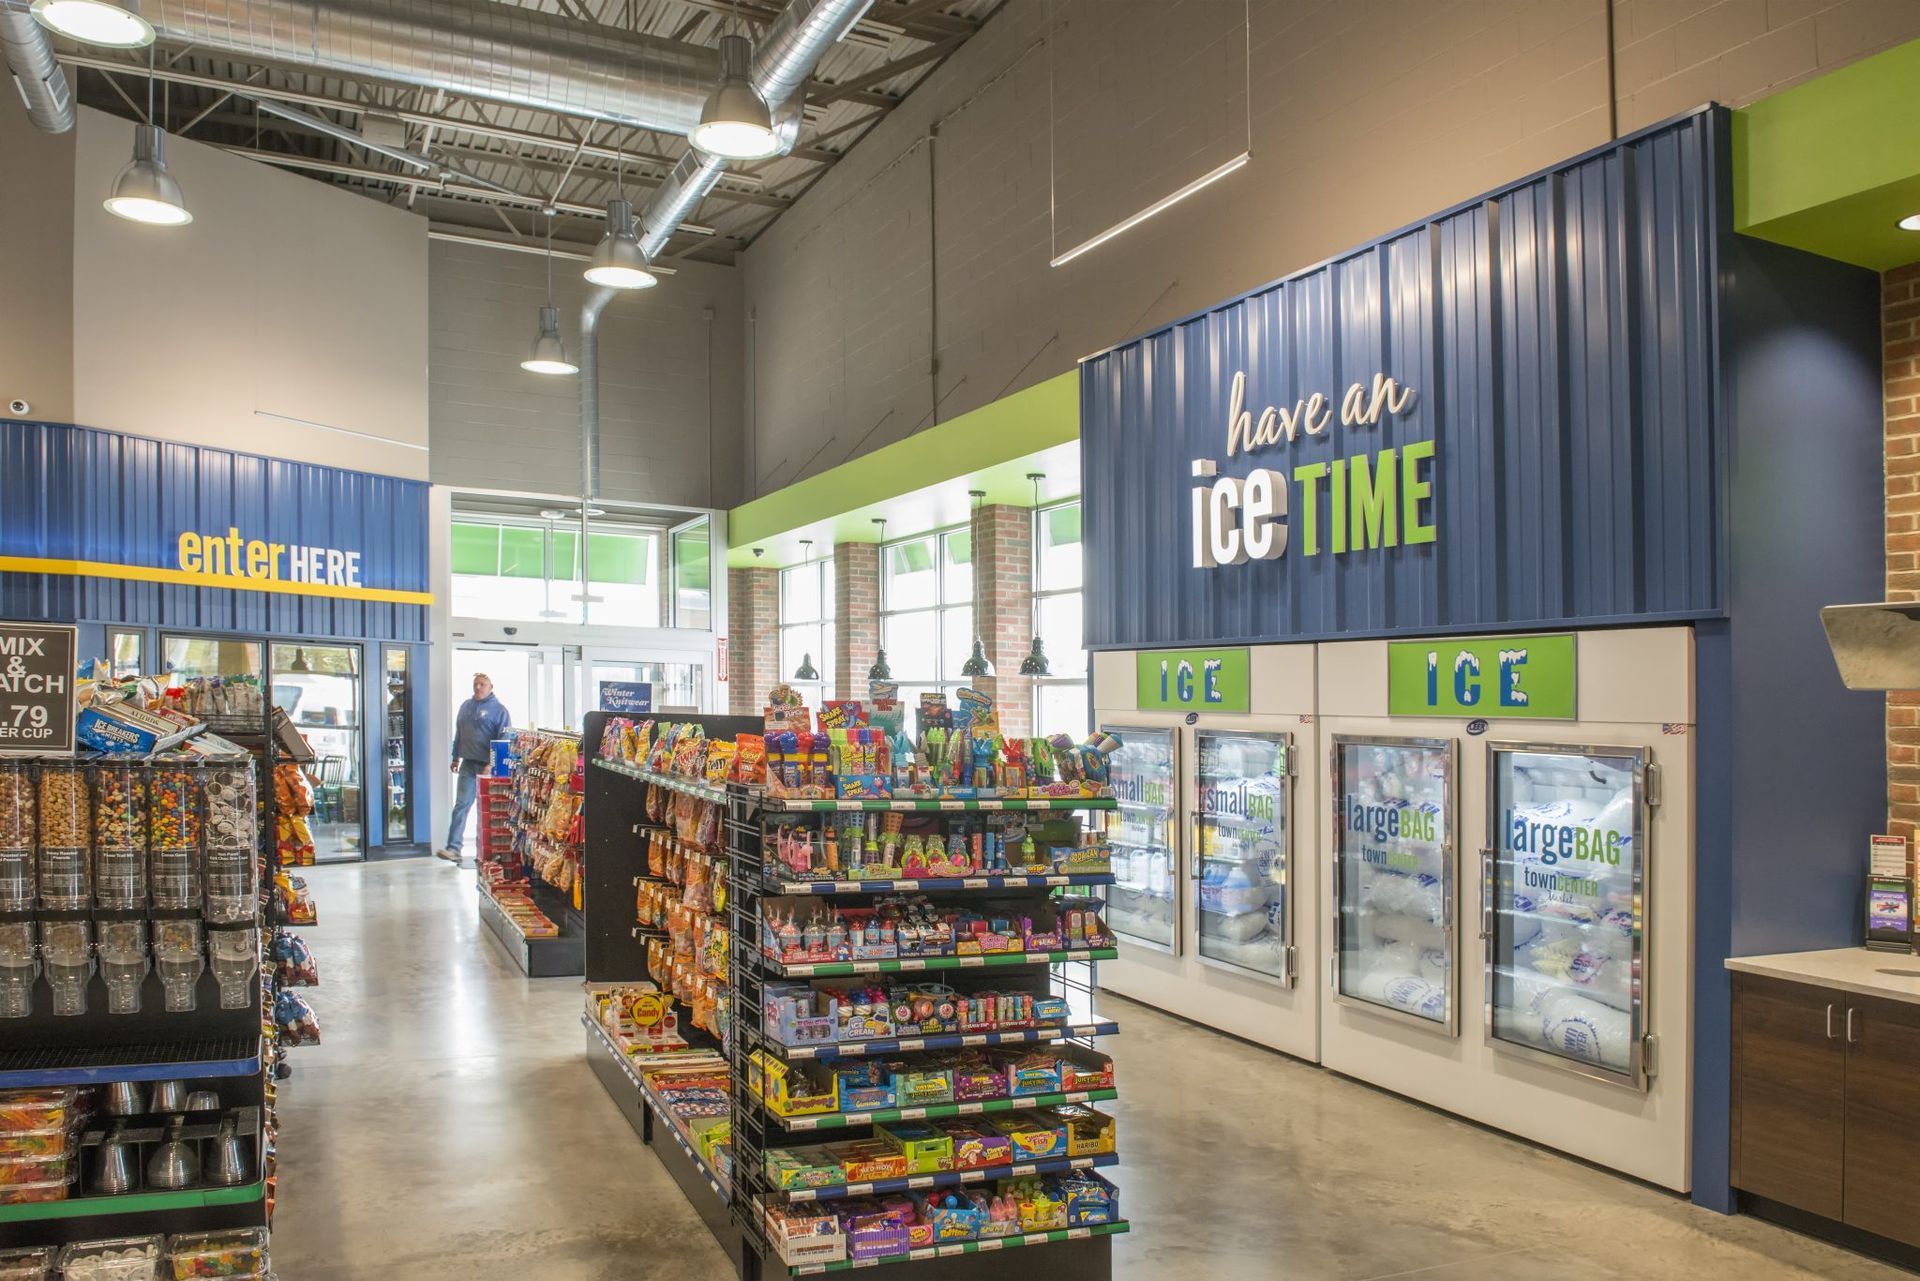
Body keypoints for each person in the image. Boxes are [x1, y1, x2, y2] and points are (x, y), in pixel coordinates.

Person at [439, 673, 511, 865]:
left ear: (491, 686)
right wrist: (455, 757)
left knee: (488, 810)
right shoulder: (465, 707)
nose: (478, 687)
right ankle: (453, 848)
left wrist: (492, 763)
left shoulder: (499, 711)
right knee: (461, 805)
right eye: (476, 684)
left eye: (483, 684)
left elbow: (503, 740)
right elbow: (459, 734)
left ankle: (488, 853)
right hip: (467, 764)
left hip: (488, 767)